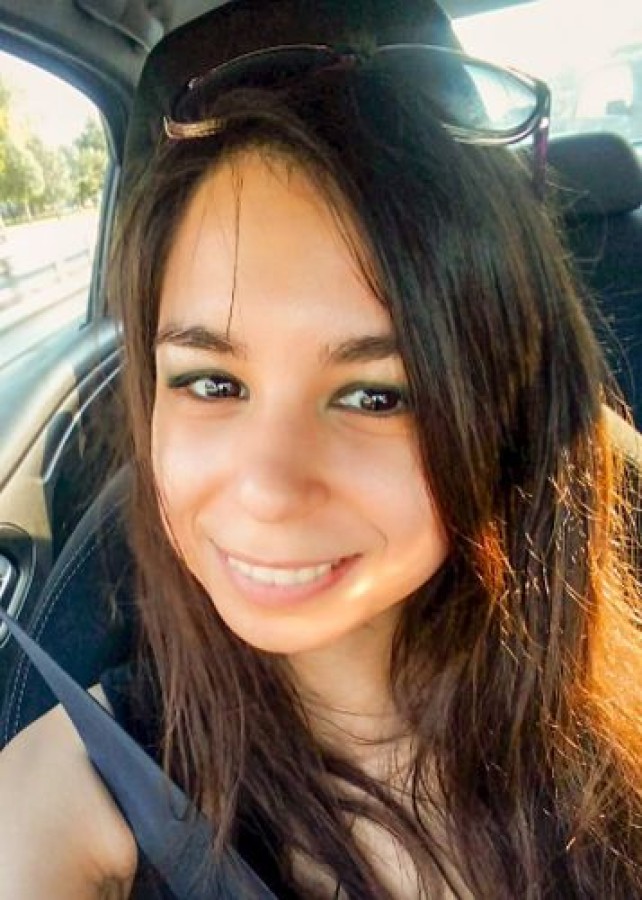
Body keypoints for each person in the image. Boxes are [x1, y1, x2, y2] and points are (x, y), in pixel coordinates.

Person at [1, 20, 642, 900]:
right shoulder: (79, 785)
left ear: (505, 412)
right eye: (212, 382)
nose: (266, 489)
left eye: (376, 395)